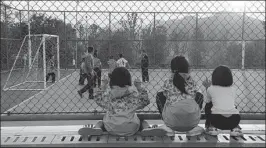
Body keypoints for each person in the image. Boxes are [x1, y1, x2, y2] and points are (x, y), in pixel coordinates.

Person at [78, 67, 167, 136]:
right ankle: (147, 129)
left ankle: (97, 128)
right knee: (142, 121)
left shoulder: (108, 95)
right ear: (129, 80)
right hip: (131, 127)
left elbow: (97, 98)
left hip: (111, 127)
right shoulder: (133, 94)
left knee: (101, 121)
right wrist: (139, 87)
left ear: (112, 81)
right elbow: (145, 101)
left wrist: (103, 85)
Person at [155, 56, 204, 136]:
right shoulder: (192, 81)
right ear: (187, 68)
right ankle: (194, 125)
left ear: (172, 69)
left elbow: (164, 95)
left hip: (172, 123)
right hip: (191, 123)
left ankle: (167, 127)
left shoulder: (168, 81)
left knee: (159, 95)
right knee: (199, 95)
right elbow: (198, 94)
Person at [202, 65, 243, 136]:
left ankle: (211, 127)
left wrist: (208, 87)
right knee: (233, 106)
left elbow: (208, 101)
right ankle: (235, 128)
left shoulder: (211, 88)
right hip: (234, 119)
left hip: (216, 120)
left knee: (208, 105)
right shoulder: (233, 89)